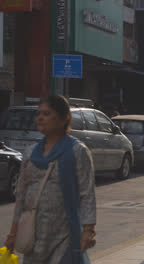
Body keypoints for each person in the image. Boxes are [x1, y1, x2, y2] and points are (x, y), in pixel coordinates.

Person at [4, 95, 96, 263]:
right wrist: (13, 233)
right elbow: (21, 198)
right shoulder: (30, 153)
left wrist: (88, 230)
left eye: (46, 113)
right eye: (38, 113)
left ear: (64, 118)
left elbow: (87, 193)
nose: (39, 118)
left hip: (64, 235)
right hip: (33, 236)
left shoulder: (77, 151)